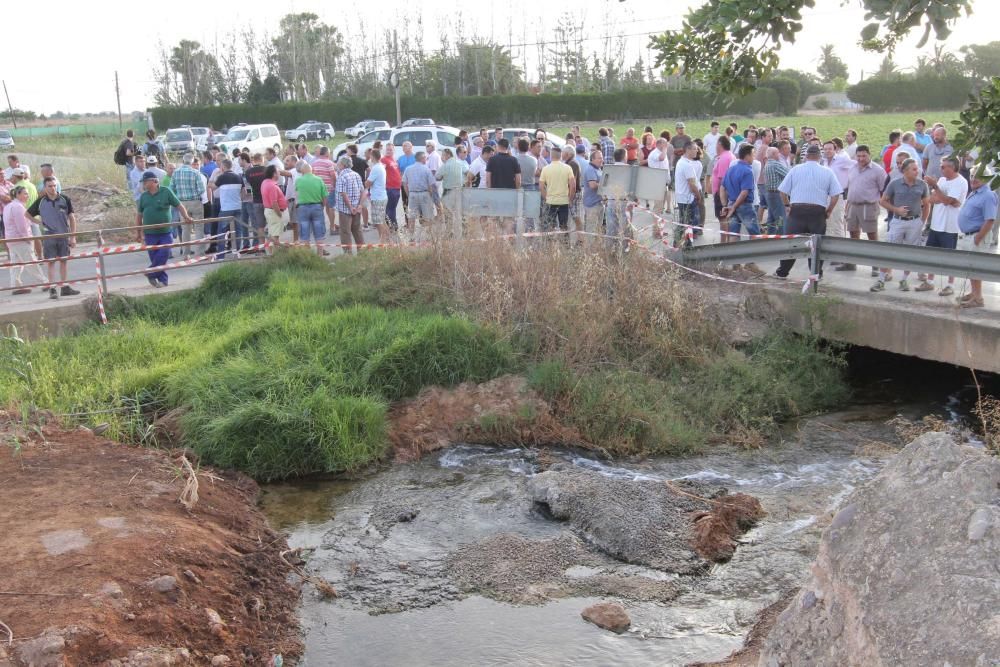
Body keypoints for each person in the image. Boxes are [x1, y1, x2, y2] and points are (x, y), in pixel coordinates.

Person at [774, 145, 843, 281]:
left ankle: (782, 272)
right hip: (817, 212)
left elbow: (782, 191)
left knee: (792, 244)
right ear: (820, 156)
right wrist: (829, 210)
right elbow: (836, 195)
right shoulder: (827, 172)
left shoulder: (796, 170)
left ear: (806, 156)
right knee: (816, 245)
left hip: (797, 210)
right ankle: (816, 274)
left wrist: (787, 205)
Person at [872, 158, 930, 292]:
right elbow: (883, 201)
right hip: (898, 221)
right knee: (889, 250)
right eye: (914, 169)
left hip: (915, 222)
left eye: (917, 168)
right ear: (905, 171)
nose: (917, 171)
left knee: (910, 252)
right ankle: (881, 279)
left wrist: (922, 221)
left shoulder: (922, 185)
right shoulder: (894, 184)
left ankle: (904, 280)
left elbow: (927, 204)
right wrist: (896, 210)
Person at [916, 156, 968, 294]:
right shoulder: (942, 180)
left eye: (944, 167)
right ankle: (930, 282)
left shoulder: (961, 182)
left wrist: (936, 188)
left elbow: (947, 201)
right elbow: (933, 199)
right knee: (932, 255)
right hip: (936, 224)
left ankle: (950, 285)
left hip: (950, 227)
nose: (941, 169)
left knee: (949, 258)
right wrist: (943, 196)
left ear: (952, 167)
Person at [135, 170, 194, 288]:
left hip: (165, 232)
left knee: (164, 253)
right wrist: (138, 233)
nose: (143, 185)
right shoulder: (143, 196)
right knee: (155, 257)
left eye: (145, 182)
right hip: (149, 233)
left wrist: (186, 217)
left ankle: (151, 273)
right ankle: (162, 280)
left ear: (153, 181)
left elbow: (179, 205)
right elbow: (139, 215)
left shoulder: (166, 191)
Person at [25, 176, 80, 299]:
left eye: (54, 185)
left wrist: (73, 237)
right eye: (49, 186)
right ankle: (52, 289)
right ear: (45, 187)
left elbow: (72, 218)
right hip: (49, 237)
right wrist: (38, 222)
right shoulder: (41, 201)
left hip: (64, 236)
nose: (52, 188)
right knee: (51, 263)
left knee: (64, 261)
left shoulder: (65, 199)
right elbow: (27, 214)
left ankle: (65, 287)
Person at [955, 167, 998, 308]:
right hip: (970, 236)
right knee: (970, 267)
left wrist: (978, 238)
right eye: (972, 175)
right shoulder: (975, 192)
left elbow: (990, 220)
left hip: (976, 237)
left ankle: (978, 298)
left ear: (986, 179)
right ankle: (974, 293)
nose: (973, 178)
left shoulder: (988, 195)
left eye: (978, 176)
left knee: (975, 267)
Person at [719, 144, 763, 273]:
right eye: (753, 154)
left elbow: (722, 188)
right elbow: (744, 192)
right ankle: (750, 262)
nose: (754, 157)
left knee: (734, 234)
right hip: (744, 206)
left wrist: (726, 205)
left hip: (732, 203)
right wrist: (734, 207)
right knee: (754, 233)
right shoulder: (748, 170)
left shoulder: (731, 169)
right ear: (748, 155)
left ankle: (735, 262)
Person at [842, 145, 885, 274]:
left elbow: (883, 190)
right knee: (853, 234)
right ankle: (852, 263)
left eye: (863, 156)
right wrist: (847, 206)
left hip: (869, 206)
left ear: (869, 155)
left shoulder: (878, 171)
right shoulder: (852, 168)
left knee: (872, 235)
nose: (860, 159)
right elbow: (850, 187)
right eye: (858, 156)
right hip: (853, 205)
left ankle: (876, 265)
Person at [3, 186, 49, 295]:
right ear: (18, 195)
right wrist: (28, 238)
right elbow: (22, 226)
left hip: (11, 239)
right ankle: (44, 282)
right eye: (25, 193)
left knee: (16, 264)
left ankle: (15, 285)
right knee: (31, 262)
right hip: (21, 240)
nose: (27, 196)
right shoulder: (18, 207)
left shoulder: (8, 206)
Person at [822, 140, 855, 245]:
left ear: (835, 150)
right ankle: (830, 250)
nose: (827, 151)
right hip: (825, 196)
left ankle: (841, 250)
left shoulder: (842, 159)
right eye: (825, 149)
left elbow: (857, 165)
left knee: (838, 222)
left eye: (830, 149)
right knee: (828, 223)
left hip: (838, 196)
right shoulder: (824, 162)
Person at [485, 138, 522, 234]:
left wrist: (488, 191)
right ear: (507, 147)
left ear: (498, 146)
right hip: (510, 193)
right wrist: (517, 190)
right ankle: (508, 242)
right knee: (509, 218)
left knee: (493, 218)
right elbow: (518, 179)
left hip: (495, 193)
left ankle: (495, 241)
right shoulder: (513, 160)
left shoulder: (492, 160)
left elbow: (488, 178)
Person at [539, 146, 575, 236]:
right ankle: (565, 246)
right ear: (560, 156)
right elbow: (573, 186)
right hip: (564, 201)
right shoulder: (567, 168)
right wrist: (570, 199)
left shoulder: (545, 169)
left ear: (551, 156)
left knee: (550, 227)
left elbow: (541, 186)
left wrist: (546, 197)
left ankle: (550, 247)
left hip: (550, 201)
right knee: (564, 227)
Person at [673, 142, 703, 248]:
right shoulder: (687, 164)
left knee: (684, 221)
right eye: (695, 149)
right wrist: (698, 196)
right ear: (688, 150)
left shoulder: (681, 162)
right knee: (687, 222)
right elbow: (692, 184)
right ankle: (685, 244)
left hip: (682, 196)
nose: (697, 151)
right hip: (687, 198)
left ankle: (682, 242)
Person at [294, 162, 328, 254]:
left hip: (303, 208)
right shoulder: (319, 180)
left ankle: (307, 256)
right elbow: (325, 196)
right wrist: (322, 206)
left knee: (304, 234)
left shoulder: (298, 180)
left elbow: (296, 195)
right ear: (311, 170)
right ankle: (320, 256)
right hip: (317, 206)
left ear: (302, 171)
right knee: (319, 233)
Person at [401, 151, 437, 239]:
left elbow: (404, 183)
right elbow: (432, 184)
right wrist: (431, 194)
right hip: (424, 193)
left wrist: (408, 194)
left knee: (411, 217)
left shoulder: (408, 169)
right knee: (428, 216)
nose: (426, 159)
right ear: (422, 158)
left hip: (413, 194)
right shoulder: (426, 169)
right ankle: (429, 237)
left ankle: (411, 236)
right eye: (425, 158)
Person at [214, 159, 246, 253]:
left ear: (223, 167)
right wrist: (240, 200)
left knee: (222, 231)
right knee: (237, 230)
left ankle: (221, 253)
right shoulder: (239, 177)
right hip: (237, 207)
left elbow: (213, 187)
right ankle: (236, 250)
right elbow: (244, 192)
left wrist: (215, 176)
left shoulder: (222, 177)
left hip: (226, 208)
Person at [436, 147, 468, 237]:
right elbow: (467, 173)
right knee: (458, 213)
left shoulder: (445, 165)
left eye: (442, 155)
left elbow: (437, 177)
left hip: (448, 192)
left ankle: (449, 231)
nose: (442, 157)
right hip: (459, 191)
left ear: (447, 155)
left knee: (448, 213)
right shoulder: (460, 163)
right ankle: (460, 233)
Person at [365, 149, 391, 243]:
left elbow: (368, 183)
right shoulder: (380, 166)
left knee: (378, 222)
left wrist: (365, 183)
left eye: (370, 156)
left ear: (372, 156)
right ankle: (388, 239)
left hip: (378, 197)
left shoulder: (376, 168)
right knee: (382, 220)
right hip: (381, 196)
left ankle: (382, 241)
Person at [260, 164, 288, 252]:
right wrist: (280, 214)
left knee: (272, 233)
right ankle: (272, 254)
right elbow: (274, 203)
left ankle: (271, 252)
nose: (279, 173)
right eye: (278, 171)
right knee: (274, 235)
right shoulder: (272, 186)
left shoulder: (265, 182)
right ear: (274, 174)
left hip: (269, 211)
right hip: (274, 212)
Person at [244, 154, 269, 251]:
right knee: (271, 224)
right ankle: (271, 245)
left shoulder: (248, 172)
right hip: (267, 200)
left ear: (254, 160)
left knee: (260, 226)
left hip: (256, 200)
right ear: (262, 159)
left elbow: (248, 187)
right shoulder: (267, 170)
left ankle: (262, 247)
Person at [762, 146, 789, 234]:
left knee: (771, 217)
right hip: (777, 194)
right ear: (774, 154)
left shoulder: (767, 164)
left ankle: (770, 236)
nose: (779, 155)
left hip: (769, 194)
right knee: (780, 218)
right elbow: (788, 174)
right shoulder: (775, 164)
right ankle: (781, 237)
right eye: (778, 153)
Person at [710, 136, 734, 229]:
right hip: (724, 193)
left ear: (719, 144)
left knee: (723, 218)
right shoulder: (730, 155)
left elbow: (723, 180)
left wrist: (720, 196)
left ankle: (724, 242)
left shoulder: (724, 158)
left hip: (721, 193)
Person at [381, 143, 403, 235]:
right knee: (389, 209)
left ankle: (393, 226)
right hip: (389, 188)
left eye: (390, 149)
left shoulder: (393, 159)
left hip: (396, 187)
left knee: (392, 208)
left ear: (394, 150)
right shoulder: (383, 160)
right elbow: (381, 172)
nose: (389, 151)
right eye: (387, 149)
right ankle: (392, 227)